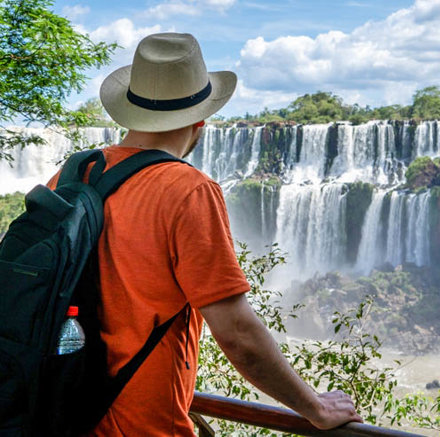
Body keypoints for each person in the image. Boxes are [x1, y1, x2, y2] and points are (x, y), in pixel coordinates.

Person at [47, 32, 363, 436]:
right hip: (145, 426)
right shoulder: (188, 190)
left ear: (129, 113)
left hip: (61, 411)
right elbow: (236, 334)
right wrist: (315, 407)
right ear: (199, 120)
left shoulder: (73, 174)